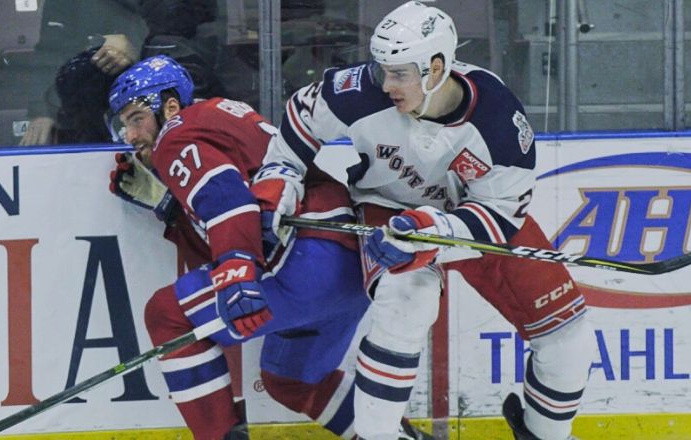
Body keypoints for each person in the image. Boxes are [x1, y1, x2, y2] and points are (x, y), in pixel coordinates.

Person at [261, 2, 595, 439]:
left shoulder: (499, 122)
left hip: (476, 221)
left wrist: (435, 232)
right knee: (405, 307)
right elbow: (303, 116)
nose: (386, 84)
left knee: (568, 337)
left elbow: (499, 216)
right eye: (383, 69)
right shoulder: (362, 89)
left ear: (436, 67)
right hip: (388, 209)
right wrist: (280, 174)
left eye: (399, 73)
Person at [108, 55, 430, 440]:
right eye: (124, 124)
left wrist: (235, 269)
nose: (130, 136)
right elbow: (239, 199)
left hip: (305, 260)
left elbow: (230, 202)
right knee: (291, 380)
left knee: (167, 314)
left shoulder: (175, 133)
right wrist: (171, 207)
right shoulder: (223, 116)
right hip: (351, 268)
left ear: (170, 106)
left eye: (136, 118)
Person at [19, 0, 149, 145]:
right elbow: (50, 48)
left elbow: (170, 33)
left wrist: (135, 47)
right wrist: (43, 111)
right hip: (79, 107)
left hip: (141, 101)